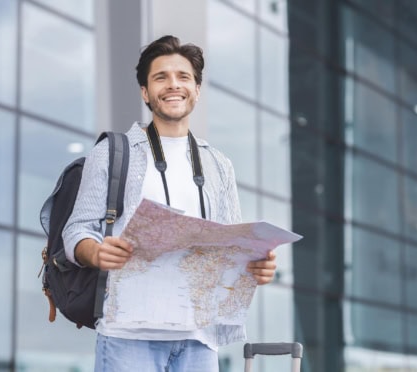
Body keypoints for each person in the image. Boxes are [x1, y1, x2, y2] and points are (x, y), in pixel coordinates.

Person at [62, 35, 277, 371]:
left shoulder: (219, 164)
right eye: (160, 77)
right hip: (128, 334)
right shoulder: (112, 152)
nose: (173, 85)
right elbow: (77, 229)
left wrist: (255, 265)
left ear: (197, 89)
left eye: (183, 77)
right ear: (145, 92)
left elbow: (232, 244)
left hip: (199, 338)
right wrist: (95, 251)